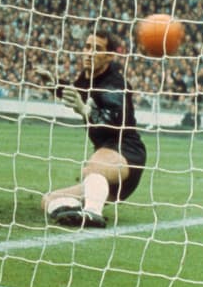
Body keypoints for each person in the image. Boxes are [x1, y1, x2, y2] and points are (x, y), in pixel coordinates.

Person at [33, 28, 146, 228]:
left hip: (126, 154)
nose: (89, 53)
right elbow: (75, 92)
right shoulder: (86, 79)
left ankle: (93, 214)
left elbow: (113, 120)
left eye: (97, 49)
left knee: (93, 167)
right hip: (102, 176)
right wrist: (53, 84)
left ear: (109, 56)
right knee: (49, 200)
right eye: (87, 47)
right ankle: (76, 212)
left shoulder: (115, 84)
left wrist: (86, 111)